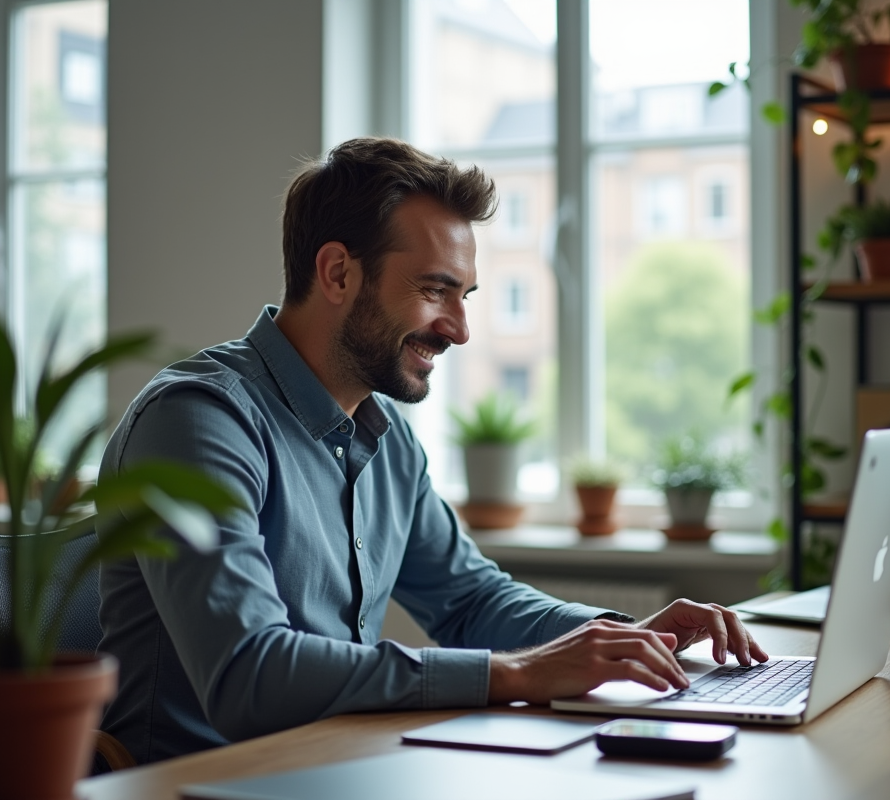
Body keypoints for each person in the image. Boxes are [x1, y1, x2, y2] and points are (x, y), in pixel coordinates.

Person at [97, 137, 768, 765]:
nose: (460, 329)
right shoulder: (197, 421)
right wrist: (516, 674)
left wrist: (625, 636)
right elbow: (249, 676)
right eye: (433, 290)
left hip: (338, 769)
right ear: (337, 273)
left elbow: (470, 601)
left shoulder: (384, 436)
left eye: (464, 295)